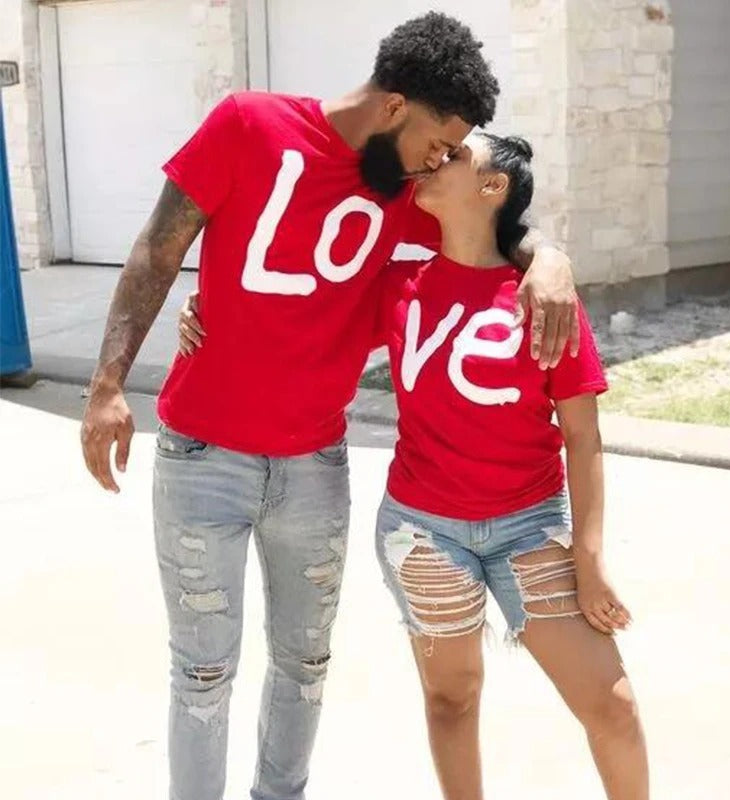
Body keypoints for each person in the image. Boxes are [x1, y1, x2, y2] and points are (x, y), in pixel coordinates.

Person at [81, 13, 581, 800]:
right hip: (201, 456)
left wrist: (549, 256)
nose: (439, 162)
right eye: (437, 144)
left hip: (314, 466)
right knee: (203, 669)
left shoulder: (403, 190)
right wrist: (108, 386)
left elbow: (492, 227)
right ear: (394, 108)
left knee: (304, 662)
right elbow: (158, 247)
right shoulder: (247, 124)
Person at [179, 131, 649, 799]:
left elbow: (583, 434)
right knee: (451, 701)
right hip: (423, 531)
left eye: (456, 156)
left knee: (612, 704)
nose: (436, 158)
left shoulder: (542, 299)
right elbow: (295, 308)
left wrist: (590, 557)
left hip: (529, 526)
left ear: (493, 188)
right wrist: (209, 306)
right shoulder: (397, 287)